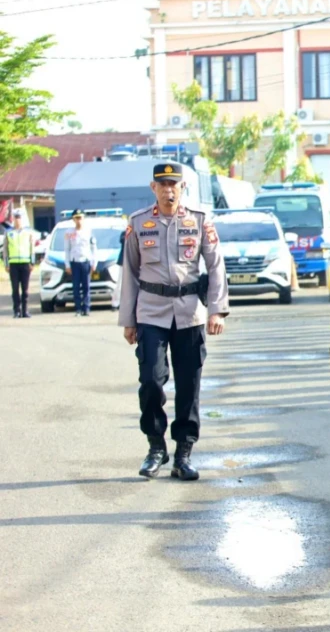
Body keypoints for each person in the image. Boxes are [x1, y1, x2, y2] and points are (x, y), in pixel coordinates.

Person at [118, 162, 229, 481]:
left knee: (189, 385)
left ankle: (183, 453)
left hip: (190, 312)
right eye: (163, 184)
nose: (169, 190)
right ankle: (155, 447)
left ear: (183, 188)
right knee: (151, 380)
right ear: (153, 188)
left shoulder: (200, 221)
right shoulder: (139, 223)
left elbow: (216, 265)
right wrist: (128, 319)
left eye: (174, 184)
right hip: (151, 312)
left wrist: (217, 309)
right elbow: (130, 272)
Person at [65, 209, 98, 316]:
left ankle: (86, 308)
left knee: (86, 287)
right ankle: (78, 308)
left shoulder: (89, 231)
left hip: (86, 261)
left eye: (80, 218)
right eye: (77, 218)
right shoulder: (69, 232)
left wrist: (94, 263)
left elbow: (94, 248)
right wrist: (67, 265)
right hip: (74, 262)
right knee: (76, 287)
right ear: (73, 219)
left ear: (83, 218)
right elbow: (67, 249)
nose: (79, 220)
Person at [2, 208, 34, 318]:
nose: (17, 220)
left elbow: (32, 248)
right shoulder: (9, 232)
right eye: (16, 218)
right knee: (15, 289)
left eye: (19, 218)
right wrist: (6, 264)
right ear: (13, 219)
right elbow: (5, 250)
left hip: (25, 263)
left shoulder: (28, 232)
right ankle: (17, 311)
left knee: (25, 290)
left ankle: (25, 311)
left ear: (22, 219)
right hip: (13, 264)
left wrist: (32, 262)